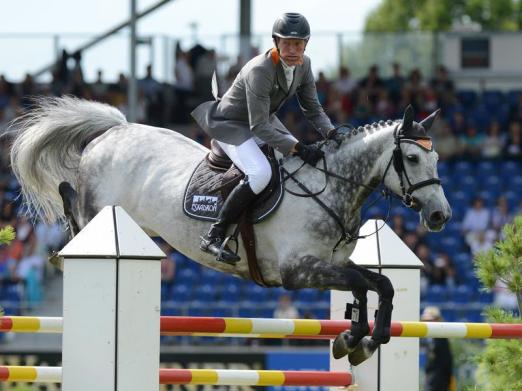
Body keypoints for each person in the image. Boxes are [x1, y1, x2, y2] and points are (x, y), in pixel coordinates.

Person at [192, 13, 334, 264]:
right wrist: (299, 148)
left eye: (298, 44)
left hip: (261, 121)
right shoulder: (261, 69)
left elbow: (313, 109)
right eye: (286, 43)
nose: (292, 49)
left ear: (306, 44)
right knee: (261, 173)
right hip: (232, 124)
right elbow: (257, 125)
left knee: (294, 163)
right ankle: (214, 235)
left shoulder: (305, 64)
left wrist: (331, 132)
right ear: (276, 42)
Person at [421, 306, 454, 391]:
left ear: (437, 320)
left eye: (431, 320)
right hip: (431, 379)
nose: (428, 323)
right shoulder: (431, 338)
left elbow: (447, 362)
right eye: (426, 321)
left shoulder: (441, 338)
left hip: (439, 381)